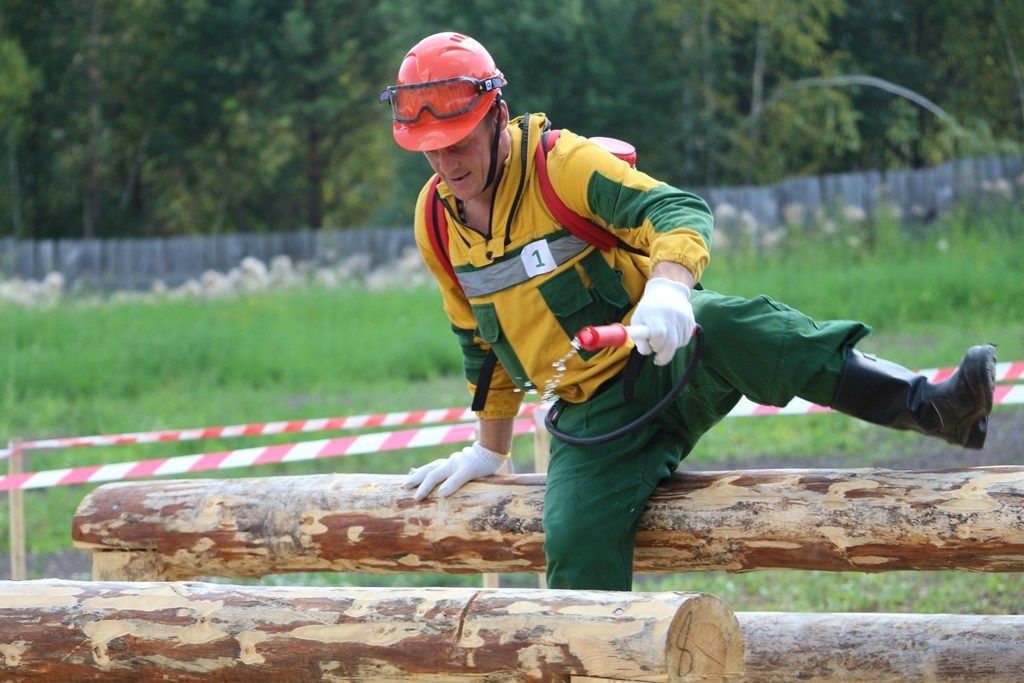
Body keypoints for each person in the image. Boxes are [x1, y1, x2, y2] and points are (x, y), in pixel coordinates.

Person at [380, 32, 997, 591]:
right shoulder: (434, 220)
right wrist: (489, 451)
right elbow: (477, 340)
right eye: (427, 151)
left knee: (732, 322)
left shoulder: (560, 165)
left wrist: (669, 289)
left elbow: (678, 211)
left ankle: (934, 409)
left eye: (457, 144)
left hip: (669, 359)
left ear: (497, 118)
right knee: (573, 546)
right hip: (595, 422)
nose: (445, 165)